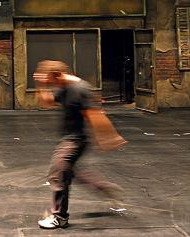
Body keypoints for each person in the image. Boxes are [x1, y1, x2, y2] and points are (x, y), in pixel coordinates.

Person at [33, 60, 124, 230]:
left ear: (58, 75)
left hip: (75, 140)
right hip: (68, 138)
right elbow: (47, 102)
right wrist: (41, 84)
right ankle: (105, 188)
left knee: (58, 173)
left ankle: (59, 217)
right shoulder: (64, 86)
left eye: (51, 81)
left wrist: (108, 137)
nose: (52, 85)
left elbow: (94, 115)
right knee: (73, 172)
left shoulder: (79, 89)